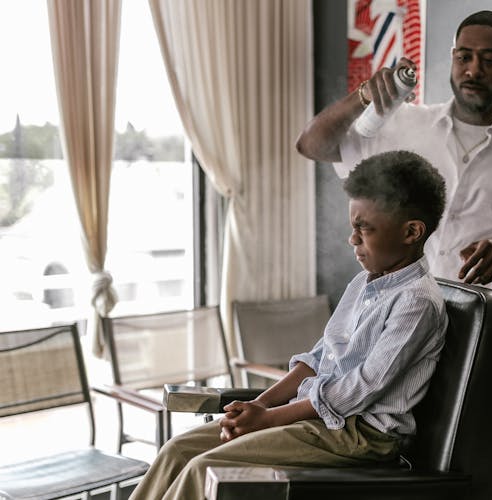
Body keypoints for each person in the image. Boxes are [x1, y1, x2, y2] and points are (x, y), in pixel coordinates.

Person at [296, 10, 492, 499]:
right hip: (395, 335)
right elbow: (313, 144)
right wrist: (365, 95)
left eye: (489, 59)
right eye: (464, 57)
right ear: (452, 59)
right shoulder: (404, 124)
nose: (474, 69)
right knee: (409, 479)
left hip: (483, 346)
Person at [130, 150, 448, 499]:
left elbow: (361, 387)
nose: (352, 239)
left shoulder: (417, 302)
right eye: (352, 227)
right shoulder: (363, 283)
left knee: (203, 469)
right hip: (318, 419)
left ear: (411, 232)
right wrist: (260, 407)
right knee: (177, 450)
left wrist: (269, 420)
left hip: (359, 436)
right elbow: (318, 359)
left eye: (364, 228)